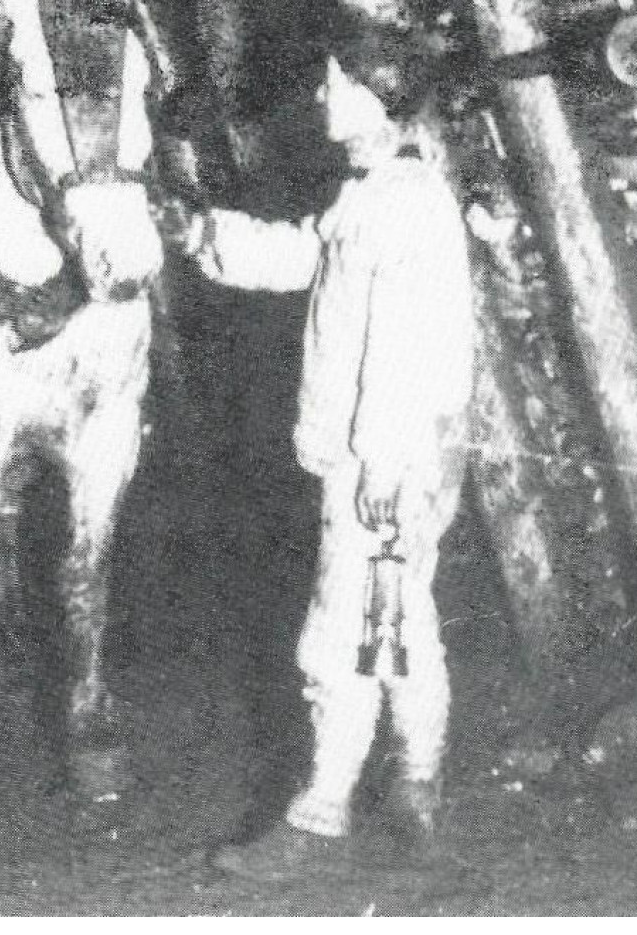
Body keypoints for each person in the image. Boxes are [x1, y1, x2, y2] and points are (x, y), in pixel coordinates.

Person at [164, 53, 476, 879]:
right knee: (399, 619)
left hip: (386, 458)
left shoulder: (404, 202)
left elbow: (405, 341)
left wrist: (381, 456)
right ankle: (415, 788)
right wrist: (203, 233)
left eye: (336, 82)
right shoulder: (375, 192)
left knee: (341, 630)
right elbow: (307, 258)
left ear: (379, 93)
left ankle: (319, 815)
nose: (318, 93)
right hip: (391, 453)